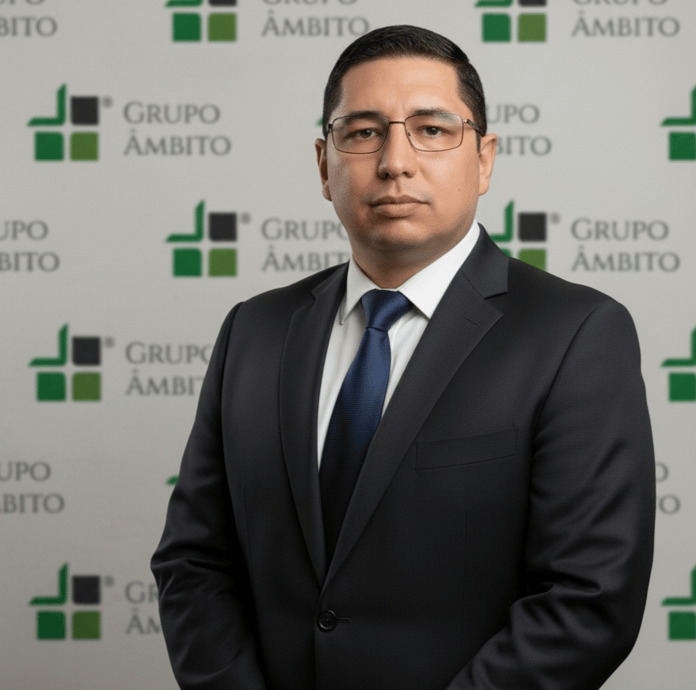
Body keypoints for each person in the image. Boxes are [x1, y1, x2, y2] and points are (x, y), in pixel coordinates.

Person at [152, 25, 655, 690]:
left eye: (432, 129)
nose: (395, 161)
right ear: (322, 162)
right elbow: (195, 564)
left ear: (484, 158)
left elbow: (589, 599)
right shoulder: (255, 330)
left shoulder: (576, 333)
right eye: (361, 132)